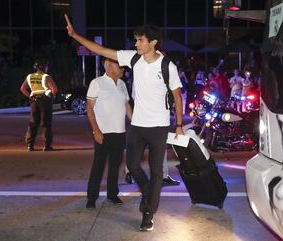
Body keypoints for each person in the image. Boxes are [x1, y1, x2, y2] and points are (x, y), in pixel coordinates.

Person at [65, 15, 183, 231]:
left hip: (159, 126)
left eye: (140, 40)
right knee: (133, 165)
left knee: (157, 172)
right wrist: (75, 35)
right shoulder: (133, 58)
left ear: (153, 42)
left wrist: (179, 124)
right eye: (135, 40)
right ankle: (147, 190)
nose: (135, 43)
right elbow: (102, 51)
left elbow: (177, 95)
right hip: (137, 126)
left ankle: (148, 213)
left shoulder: (168, 66)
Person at [85, 58, 132, 209]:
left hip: (120, 133)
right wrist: (96, 130)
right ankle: (91, 198)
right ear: (110, 67)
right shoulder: (97, 83)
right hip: (103, 133)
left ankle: (112, 194)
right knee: (98, 165)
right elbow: (90, 108)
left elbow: (126, 106)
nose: (123, 70)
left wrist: (137, 124)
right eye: (120, 67)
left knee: (115, 166)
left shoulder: (122, 84)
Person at [20, 59, 58, 151]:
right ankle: (46, 146)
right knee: (46, 123)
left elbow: (22, 88)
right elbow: (54, 89)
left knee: (33, 122)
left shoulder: (29, 76)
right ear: (45, 67)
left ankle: (30, 145)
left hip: (34, 101)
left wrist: (30, 96)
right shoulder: (46, 77)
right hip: (45, 101)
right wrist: (51, 96)